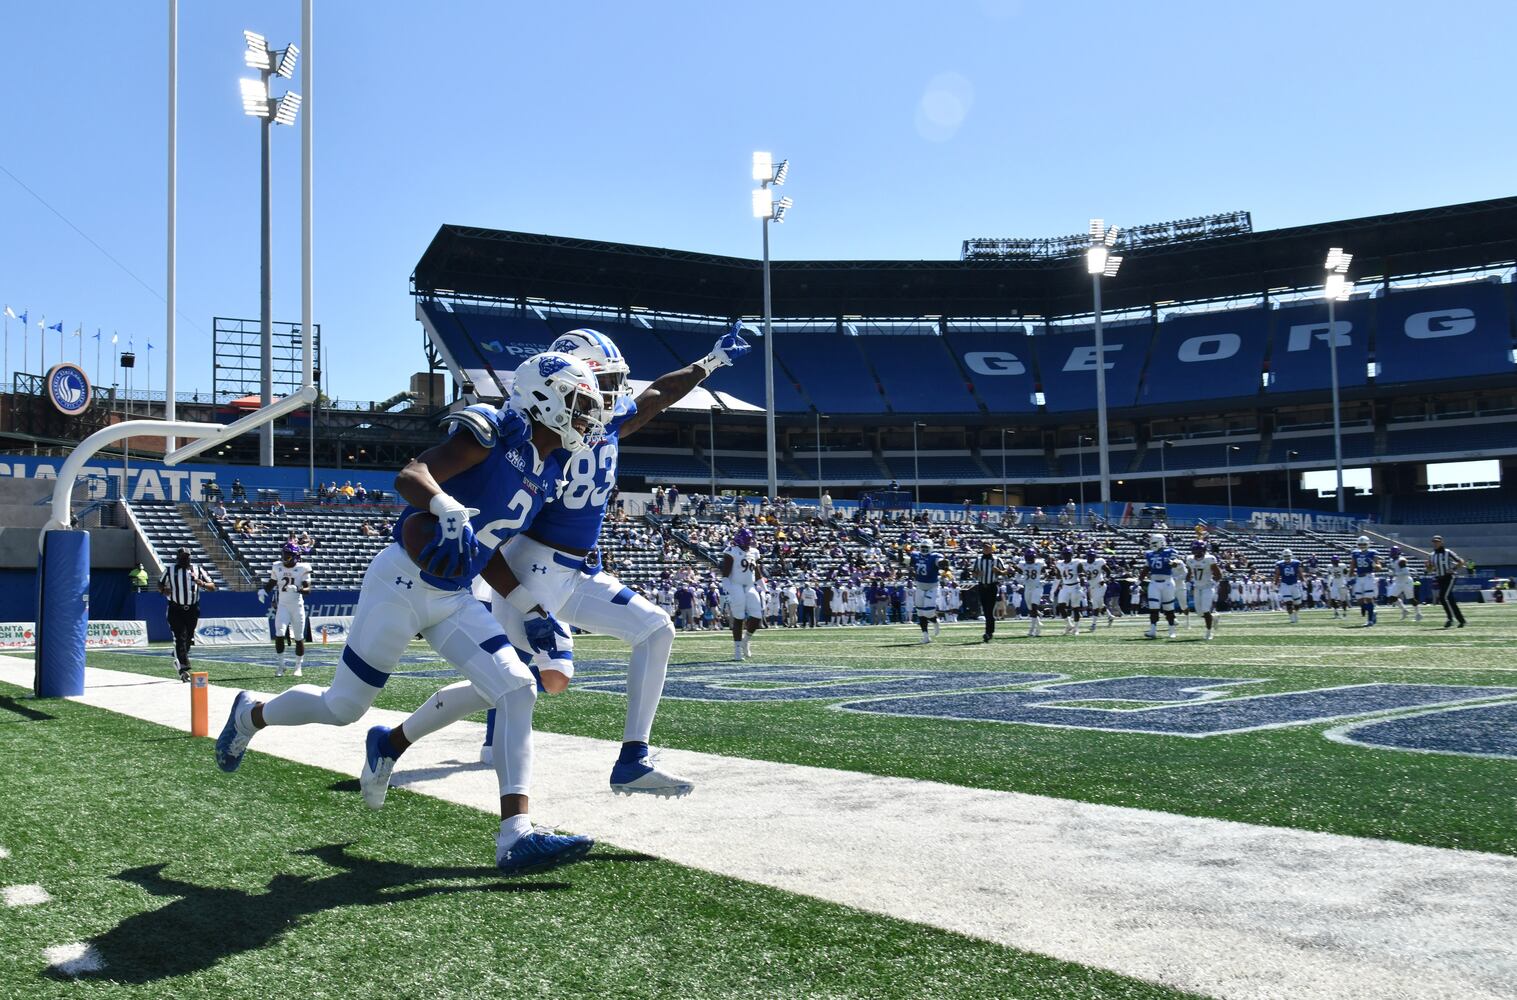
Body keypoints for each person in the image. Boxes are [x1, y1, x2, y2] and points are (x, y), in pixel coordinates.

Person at [215, 352, 605, 877]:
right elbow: (412, 474)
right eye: (578, 404)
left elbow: (486, 547)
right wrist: (443, 505)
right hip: (400, 582)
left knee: (517, 688)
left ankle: (516, 834)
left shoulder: (548, 468)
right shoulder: (497, 431)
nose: (587, 417)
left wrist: (530, 606)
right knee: (342, 708)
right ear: (543, 397)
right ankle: (250, 714)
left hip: (453, 596)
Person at [458, 324, 750, 793]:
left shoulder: (605, 422)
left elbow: (658, 393)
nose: (614, 393)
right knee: (521, 676)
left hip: (575, 569)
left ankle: (633, 759)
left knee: (654, 630)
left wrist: (708, 364)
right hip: (531, 565)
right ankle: (397, 739)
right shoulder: (538, 436)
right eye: (605, 381)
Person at [160, 548, 216, 682]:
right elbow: (160, 583)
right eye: (183, 557)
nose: (185, 559)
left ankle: (178, 657)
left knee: (188, 638)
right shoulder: (170, 570)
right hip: (175, 609)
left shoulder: (197, 569)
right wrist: (163, 590)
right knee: (180, 637)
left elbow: (212, 586)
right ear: (178, 558)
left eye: (187, 557)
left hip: (192, 609)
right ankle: (184, 670)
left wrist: (201, 583)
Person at [260, 543, 313, 677]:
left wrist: (298, 589)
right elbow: (272, 583)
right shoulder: (277, 566)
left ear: (295, 556)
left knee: (299, 637)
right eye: (284, 554)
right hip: (283, 605)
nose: (285, 557)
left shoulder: (303, 568)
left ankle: (298, 666)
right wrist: (263, 591)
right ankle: (281, 665)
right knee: (279, 634)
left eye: (288, 554)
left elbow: (309, 590)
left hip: (297, 606)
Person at [721, 527, 763, 660]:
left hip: (750, 586)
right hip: (736, 585)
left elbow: (756, 571)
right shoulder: (731, 551)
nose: (749, 541)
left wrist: (763, 586)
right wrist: (727, 589)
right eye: (747, 539)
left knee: (757, 616)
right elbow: (725, 573)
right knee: (739, 617)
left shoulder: (754, 552)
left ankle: (746, 641)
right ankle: (737, 649)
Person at [1142, 533, 1180, 640]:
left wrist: (1172, 562)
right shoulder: (1149, 554)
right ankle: (1152, 630)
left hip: (1167, 582)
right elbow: (1146, 569)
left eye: (1154, 543)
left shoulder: (1170, 552)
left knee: (1169, 608)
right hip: (1154, 582)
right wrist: (1138, 582)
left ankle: (1171, 630)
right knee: (1153, 608)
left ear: (1161, 542)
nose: (1152, 545)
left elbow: (1176, 562)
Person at [909, 539, 946, 644]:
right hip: (919, 586)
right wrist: (899, 550)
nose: (924, 549)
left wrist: (943, 564)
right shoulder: (915, 555)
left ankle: (935, 621)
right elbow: (903, 560)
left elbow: (939, 563)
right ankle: (925, 636)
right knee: (920, 613)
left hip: (932, 587)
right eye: (923, 547)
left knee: (928, 612)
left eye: (926, 547)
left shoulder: (934, 556)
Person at [1427, 535, 1466, 628]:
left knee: (1443, 597)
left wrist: (1453, 568)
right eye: (1434, 542)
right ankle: (1461, 620)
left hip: (1449, 577)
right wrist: (1428, 567)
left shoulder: (1448, 552)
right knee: (1450, 600)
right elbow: (1430, 570)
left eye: (1437, 542)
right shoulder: (1432, 555)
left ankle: (1450, 619)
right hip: (1439, 578)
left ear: (1441, 542)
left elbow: (1461, 561)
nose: (1435, 543)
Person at [971, 542, 1004, 643]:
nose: (986, 550)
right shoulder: (978, 559)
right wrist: (977, 574)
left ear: (991, 549)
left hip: (992, 586)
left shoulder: (997, 559)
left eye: (988, 548)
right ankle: (989, 631)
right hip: (982, 586)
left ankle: (988, 632)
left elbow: (1006, 572)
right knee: (986, 610)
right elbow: (973, 573)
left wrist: (998, 571)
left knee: (989, 610)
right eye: (984, 548)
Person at [1189, 541, 1222, 640]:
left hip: (1207, 587)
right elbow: (1189, 573)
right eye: (1195, 549)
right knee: (1199, 613)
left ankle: (1209, 632)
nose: (1196, 552)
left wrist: (1214, 583)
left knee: (1205, 610)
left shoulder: (1209, 559)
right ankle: (1214, 617)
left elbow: (1218, 574)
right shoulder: (1190, 559)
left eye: (1198, 550)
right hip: (1197, 587)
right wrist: (1188, 581)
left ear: (1203, 550)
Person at [1054, 546, 1087, 636]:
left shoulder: (1077, 562)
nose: (1066, 556)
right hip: (1065, 586)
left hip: (1075, 586)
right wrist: (1054, 573)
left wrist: (1083, 586)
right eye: (1065, 554)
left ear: (1071, 554)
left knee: (1075, 608)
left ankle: (1076, 628)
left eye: (1068, 554)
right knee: (1061, 606)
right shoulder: (1059, 563)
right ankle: (1069, 624)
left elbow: (1082, 575)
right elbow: (1058, 576)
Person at [1350, 535, 1381, 627]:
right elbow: (1352, 566)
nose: (1362, 545)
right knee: (1359, 600)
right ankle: (1373, 612)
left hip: (1368, 577)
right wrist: (1349, 577)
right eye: (1360, 544)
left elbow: (1379, 568)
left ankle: (1370, 620)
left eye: (1364, 544)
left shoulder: (1372, 553)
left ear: (1368, 544)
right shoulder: (1355, 553)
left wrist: (1374, 564)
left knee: (1368, 598)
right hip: (1359, 577)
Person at [1387, 545, 1423, 622]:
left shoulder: (1401, 560)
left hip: (1406, 581)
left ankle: (1418, 614)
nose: (1393, 554)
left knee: (1411, 599)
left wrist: (1395, 573)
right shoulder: (1392, 560)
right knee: (1391, 597)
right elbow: (1394, 569)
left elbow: (1406, 572)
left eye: (1394, 552)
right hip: (1398, 581)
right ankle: (1404, 610)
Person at [1275, 548, 1305, 625]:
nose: (1287, 557)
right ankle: (1292, 618)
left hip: (1294, 584)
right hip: (1285, 584)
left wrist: (1303, 581)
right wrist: (1275, 584)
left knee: (1298, 603)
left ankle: (1296, 614)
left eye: (1288, 556)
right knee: (1288, 602)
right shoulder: (1280, 564)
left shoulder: (1296, 563)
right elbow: (1277, 575)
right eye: (1285, 556)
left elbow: (1300, 573)